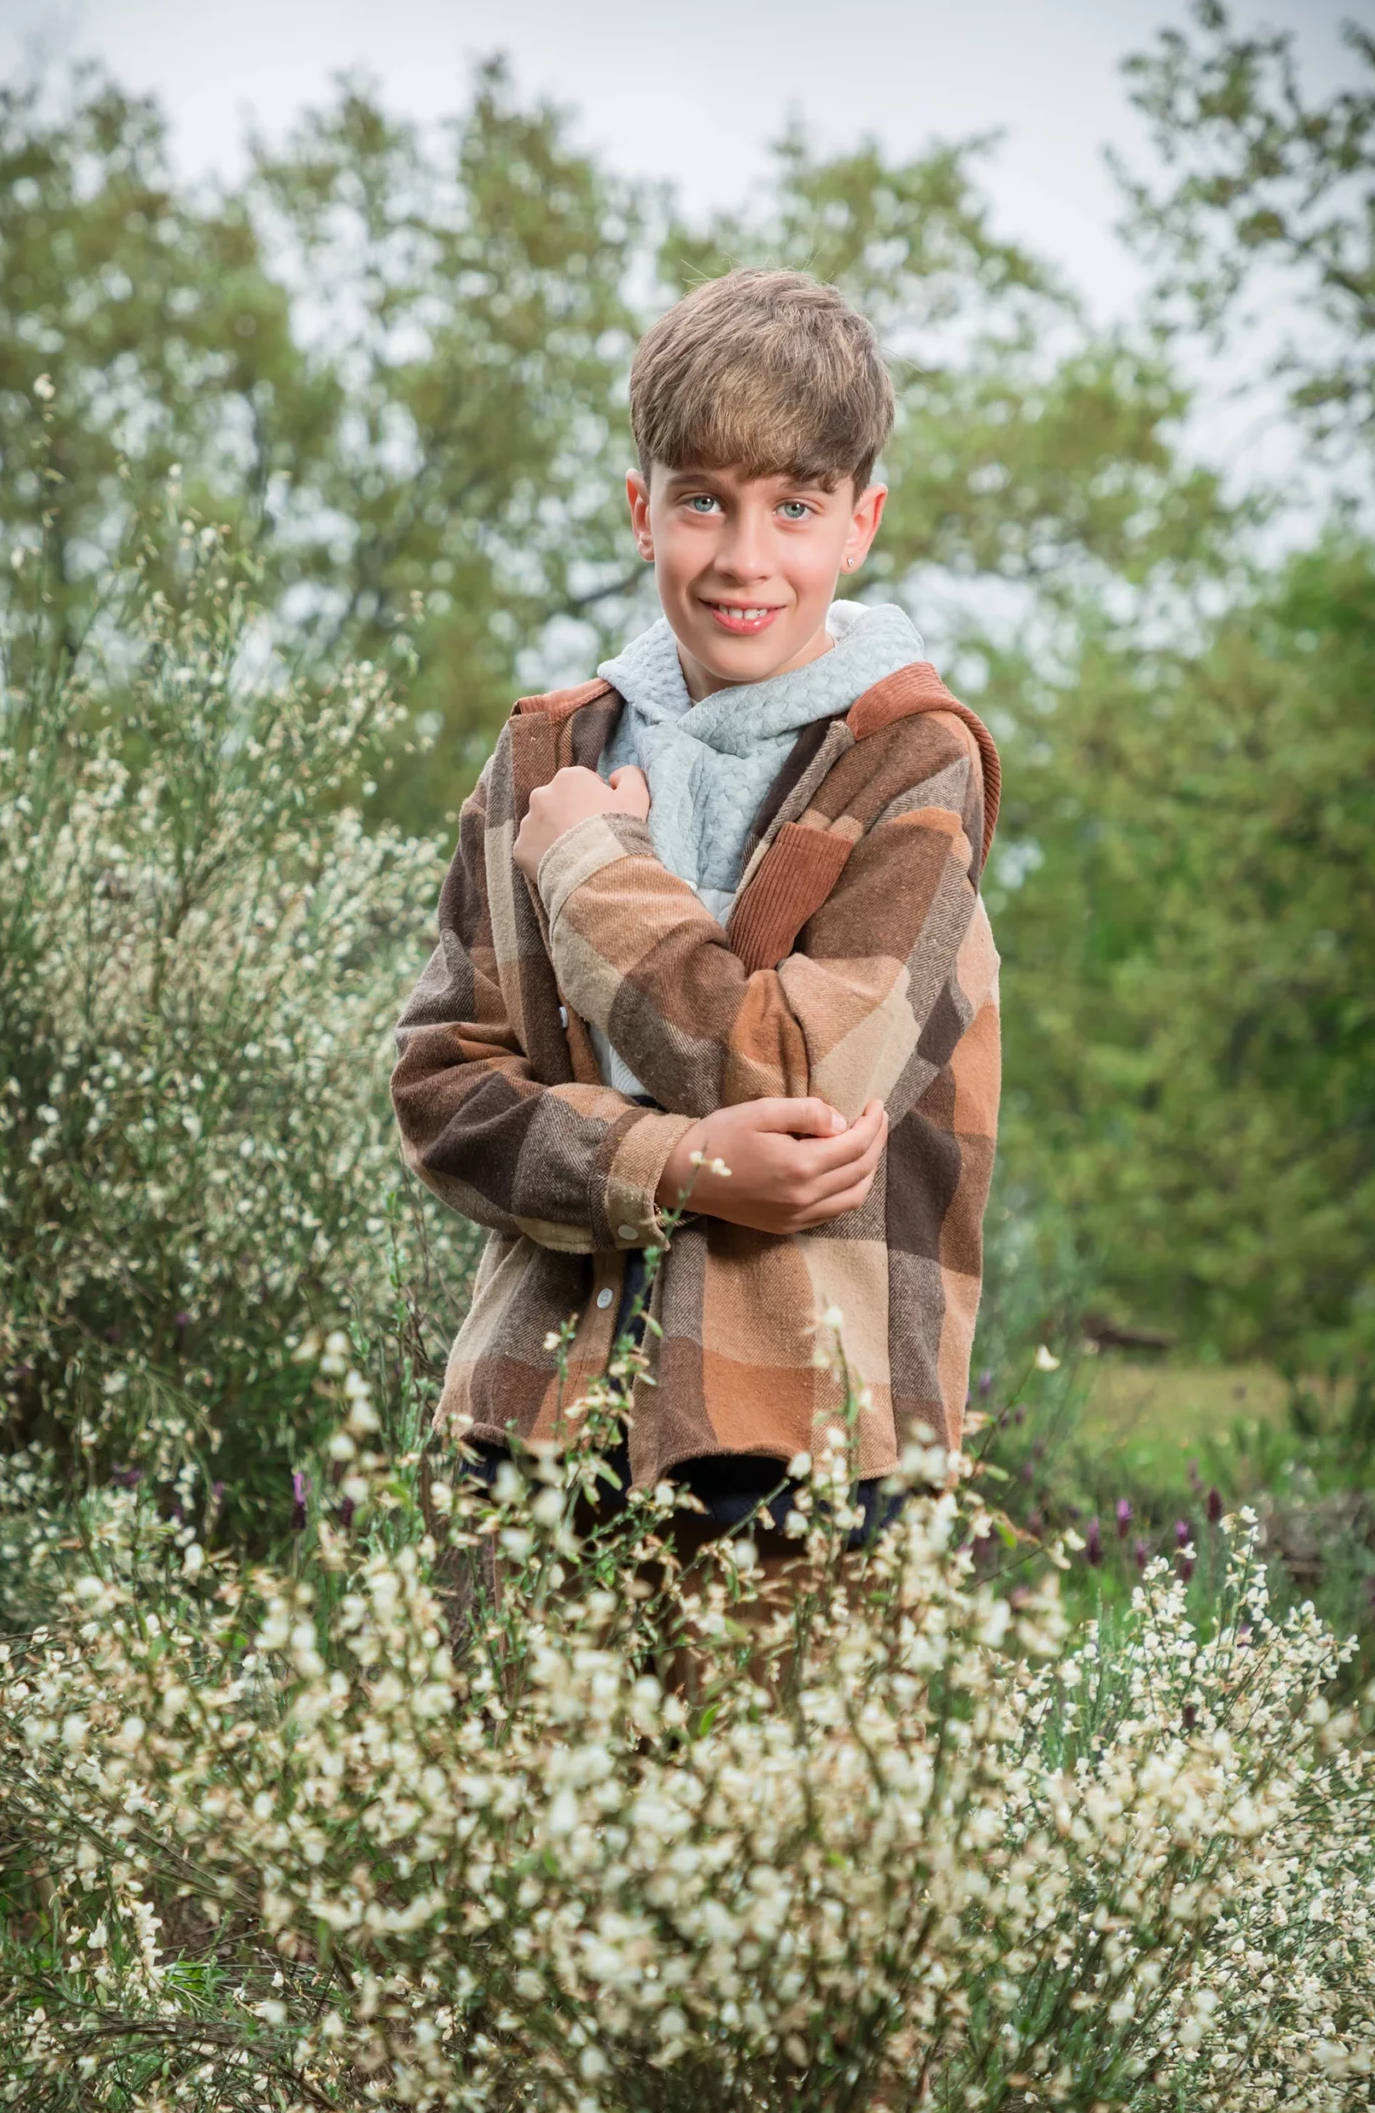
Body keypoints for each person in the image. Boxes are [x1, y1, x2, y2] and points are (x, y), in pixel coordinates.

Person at [391, 267, 1001, 1553]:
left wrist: (595, 869)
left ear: (860, 522)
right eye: (703, 502)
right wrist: (680, 1166)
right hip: (531, 1435)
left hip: (808, 1445)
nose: (744, 558)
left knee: (790, 1761)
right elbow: (444, 1090)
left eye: (794, 505)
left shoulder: (913, 762)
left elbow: (806, 1073)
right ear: (641, 509)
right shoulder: (548, 752)